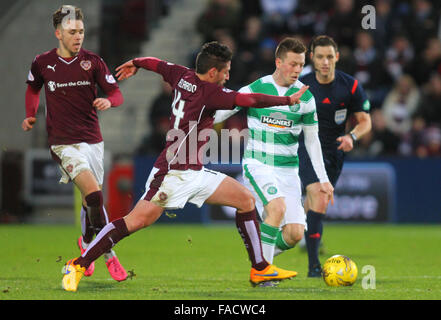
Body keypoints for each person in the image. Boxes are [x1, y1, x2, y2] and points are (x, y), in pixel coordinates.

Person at [61, 41, 310, 292]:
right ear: (213, 73)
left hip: (194, 172)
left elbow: (157, 64)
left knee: (245, 200)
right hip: (172, 174)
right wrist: (287, 100)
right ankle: (78, 264)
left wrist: (136, 63)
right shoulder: (210, 93)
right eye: (226, 71)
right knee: (133, 222)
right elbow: (250, 99)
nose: (228, 76)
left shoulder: (181, 75)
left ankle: (260, 268)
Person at [22, 6, 127, 281]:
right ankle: (107, 253)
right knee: (94, 195)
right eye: (72, 32)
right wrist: (31, 114)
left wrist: (108, 101)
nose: (78, 36)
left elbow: (116, 93)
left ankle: (87, 242)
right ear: (58, 33)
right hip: (62, 143)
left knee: (89, 201)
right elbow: (33, 88)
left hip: (93, 140)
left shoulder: (92, 62)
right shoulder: (42, 62)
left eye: (81, 31)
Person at [214, 37, 334, 268]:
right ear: (278, 62)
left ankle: (260, 254)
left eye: (301, 64)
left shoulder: (306, 97)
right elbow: (223, 112)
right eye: (292, 64)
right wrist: (198, 119)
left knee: (295, 234)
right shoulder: (257, 88)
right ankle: (263, 272)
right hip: (259, 164)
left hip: (288, 171)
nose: (298, 70)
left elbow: (312, 141)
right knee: (276, 209)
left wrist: (324, 179)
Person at [298, 35, 372, 277]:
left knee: (315, 204)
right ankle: (313, 267)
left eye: (330, 56)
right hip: (307, 148)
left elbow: (365, 121)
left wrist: (352, 136)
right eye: (320, 57)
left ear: (337, 57)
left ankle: (302, 225)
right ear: (312, 58)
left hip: (335, 152)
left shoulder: (350, 86)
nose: (325, 62)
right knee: (320, 197)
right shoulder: (301, 85)